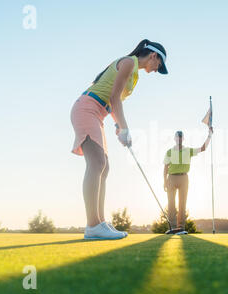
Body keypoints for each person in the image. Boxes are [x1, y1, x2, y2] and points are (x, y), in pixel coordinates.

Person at [70, 39, 168, 240]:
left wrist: (118, 125)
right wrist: (125, 128)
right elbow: (114, 97)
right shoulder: (129, 63)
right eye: (159, 65)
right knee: (97, 163)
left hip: (98, 114)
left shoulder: (134, 75)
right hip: (87, 109)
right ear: (153, 56)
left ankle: (99, 222)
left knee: (104, 167)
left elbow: (114, 103)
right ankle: (93, 225)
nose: (157, 70)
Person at [163, 127, 213, 233]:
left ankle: (180, 228)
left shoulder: (188, 151)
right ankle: (172, 228)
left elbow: (203, 148)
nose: (179, 139)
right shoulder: (169, 152)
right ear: (174, 139)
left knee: (182, 203)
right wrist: (164, 181)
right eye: (177, 137)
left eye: (181, 138)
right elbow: (166, 167)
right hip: (171, 178)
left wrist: (209, 135)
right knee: (171, 204)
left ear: (183, 139)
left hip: (184, 178)